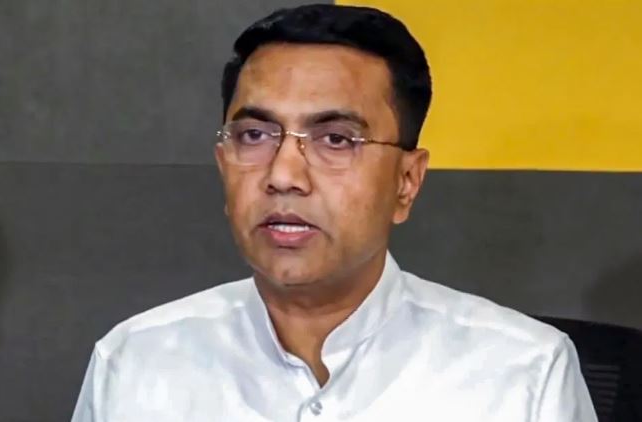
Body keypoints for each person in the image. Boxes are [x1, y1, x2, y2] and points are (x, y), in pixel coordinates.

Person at [71, 4, 597, 421]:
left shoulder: (523, 374)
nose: (283, 175)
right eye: (254, 135)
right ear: (222, 162)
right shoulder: (135, 362)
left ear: (407, 182)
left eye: (337, 139)